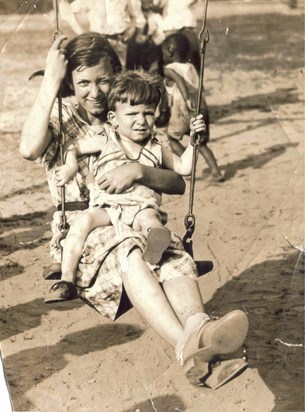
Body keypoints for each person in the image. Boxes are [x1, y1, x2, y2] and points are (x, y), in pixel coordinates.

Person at [20, 32, 248, 388]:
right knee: (130, 249)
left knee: (173, 256)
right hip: (87, 233)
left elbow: (177, 183)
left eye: (103, 81)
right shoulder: (62, 119)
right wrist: (51, 80)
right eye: (83, 83)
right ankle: (188, 346)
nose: (94, 92)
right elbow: (29, 149)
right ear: (70, 83)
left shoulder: (137, 115)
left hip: (140, 220)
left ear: (118, 75)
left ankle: (200, 334)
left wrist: (139, 171)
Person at [51, 69, 206, 301]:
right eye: (132, 114)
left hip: (142, 208)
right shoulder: (106, 139)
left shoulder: (156, 147)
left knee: (151, 222)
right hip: (108, 207)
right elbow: (72, 145)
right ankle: (66, 278)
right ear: (113, 119)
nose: (142, 121)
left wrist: (194, 141)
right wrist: (71, 166)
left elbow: (184, 168)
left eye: (148, 114)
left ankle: (156, 252)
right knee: (83, 221)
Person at [161, 32, 224, 182]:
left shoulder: (169, 69)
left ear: (169, 52)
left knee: (170, 138)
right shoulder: (191, 67)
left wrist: (186, 98)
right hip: (201, 107)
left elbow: (179, 82)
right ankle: (215, 171)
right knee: (200, 142)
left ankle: (186, 161)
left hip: (183, 108)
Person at [59, 0, 146, 65]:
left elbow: (135, 15)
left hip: (119, 40)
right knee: (101, 67)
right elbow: (70, 9)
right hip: (99, 39)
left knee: (120, 68)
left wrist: (131, 31)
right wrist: (80, 32)